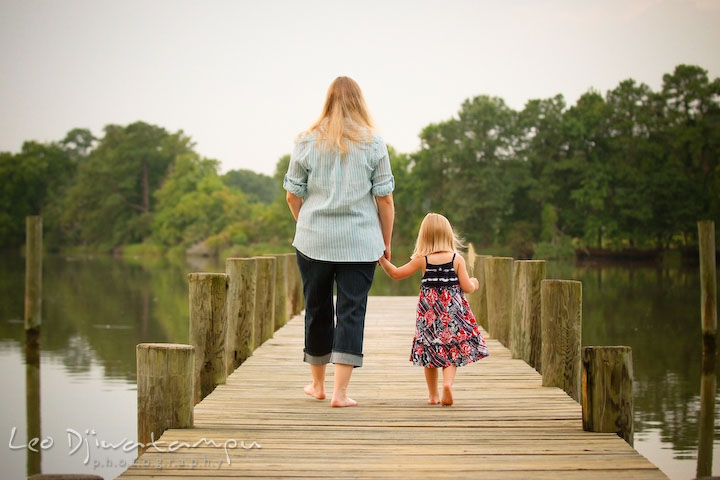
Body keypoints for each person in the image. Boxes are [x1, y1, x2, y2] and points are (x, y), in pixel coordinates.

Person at [283, 76, 395, 408]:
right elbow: (385, 200)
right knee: (351, 312)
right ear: (360, 102)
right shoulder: (374, 143)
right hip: (360, 241)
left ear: (327, 101)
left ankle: (317, 386)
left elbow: (292, 195)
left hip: (313, 240)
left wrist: (306, 225)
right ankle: (340, 393)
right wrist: (385, 242)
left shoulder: (305, 141)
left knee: (316, 309)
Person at [378, 213, 489, 406]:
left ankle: (433, 396)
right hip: (453, 314)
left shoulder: (423, 260)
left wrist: (380, 258)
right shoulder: (457, 259)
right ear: (448, 235)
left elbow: (396, 274)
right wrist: (474, 283)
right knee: (452, 350)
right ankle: (448, 385)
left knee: (430, 351)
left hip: (429, 315)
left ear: (424, 236)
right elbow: (467, 287)